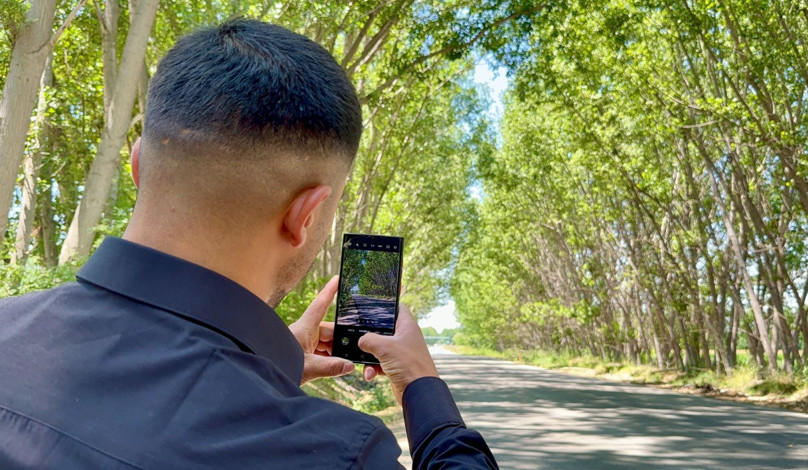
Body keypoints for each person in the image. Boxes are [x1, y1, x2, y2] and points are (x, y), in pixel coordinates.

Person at [0, 19, 498, 469]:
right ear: (306, 215)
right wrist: (420, 386)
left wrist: (266, 371)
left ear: (136, 167)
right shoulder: (331, 452)